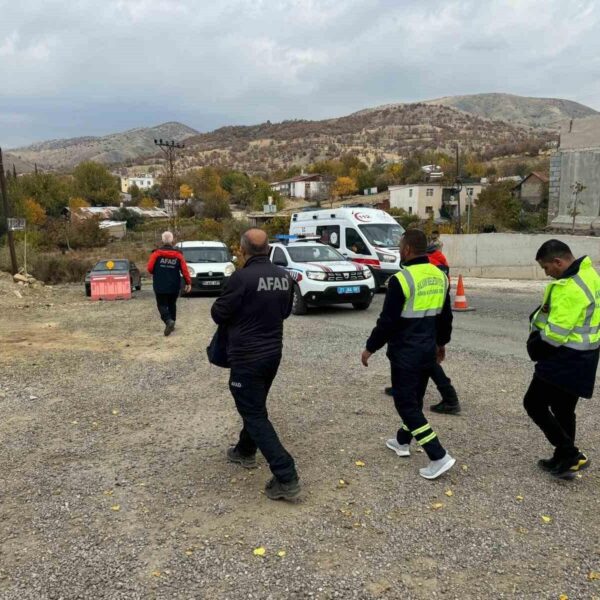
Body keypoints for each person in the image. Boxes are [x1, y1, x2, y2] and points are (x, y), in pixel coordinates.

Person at [211, 228, 300, 500]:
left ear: (242, 251)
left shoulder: (241, 277)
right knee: (255, 405)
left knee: (253, 412)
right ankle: (245, 451)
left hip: (247, 357)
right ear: (270, 250)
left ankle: (286, 474)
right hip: (273, 354)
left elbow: (218, 313)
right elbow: (285, 312)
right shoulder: (285, 277)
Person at [362, 229, 456, 480]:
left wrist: (370, 347)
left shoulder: (400, 280)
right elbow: (445, 316)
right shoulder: (440, 276)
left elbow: (387, 322)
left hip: (405, 353)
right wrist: (441, 343)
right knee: (414, 400)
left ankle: (438, 456)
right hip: (427, 350)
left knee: (406, 405)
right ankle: (402, 441)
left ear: (405, 251)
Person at [524, 239, 600, 479]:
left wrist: (535, 347)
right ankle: (563, 458)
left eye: (547, 268)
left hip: (565, 357)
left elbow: (555, 334)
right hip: (584, 356)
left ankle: (570, 453)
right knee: (563, 408)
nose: (547, 274)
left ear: (558, 262)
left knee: (533, 403)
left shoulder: (570, 288)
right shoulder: (589, 274)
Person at [384, 236, 461, 414]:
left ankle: (450, 397)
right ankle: (404, 389)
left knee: (426, 361)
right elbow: (446, 315)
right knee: (425, 359)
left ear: (409, 249)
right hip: (429, 324)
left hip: (419, 327)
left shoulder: (423, 266)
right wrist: (442, 340)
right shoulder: (435, 264)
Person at [147, 231, 191, 336]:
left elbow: (149, 268)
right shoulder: (178, 255)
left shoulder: (156, 254)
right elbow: (184, 270)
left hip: (160, 284)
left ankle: (168, 321)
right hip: (174, 285)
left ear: (162, 240)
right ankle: (173, 323)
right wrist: (188, 282)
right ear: (172, 240)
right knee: (172, 304)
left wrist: (157, 272)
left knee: (161, 304)